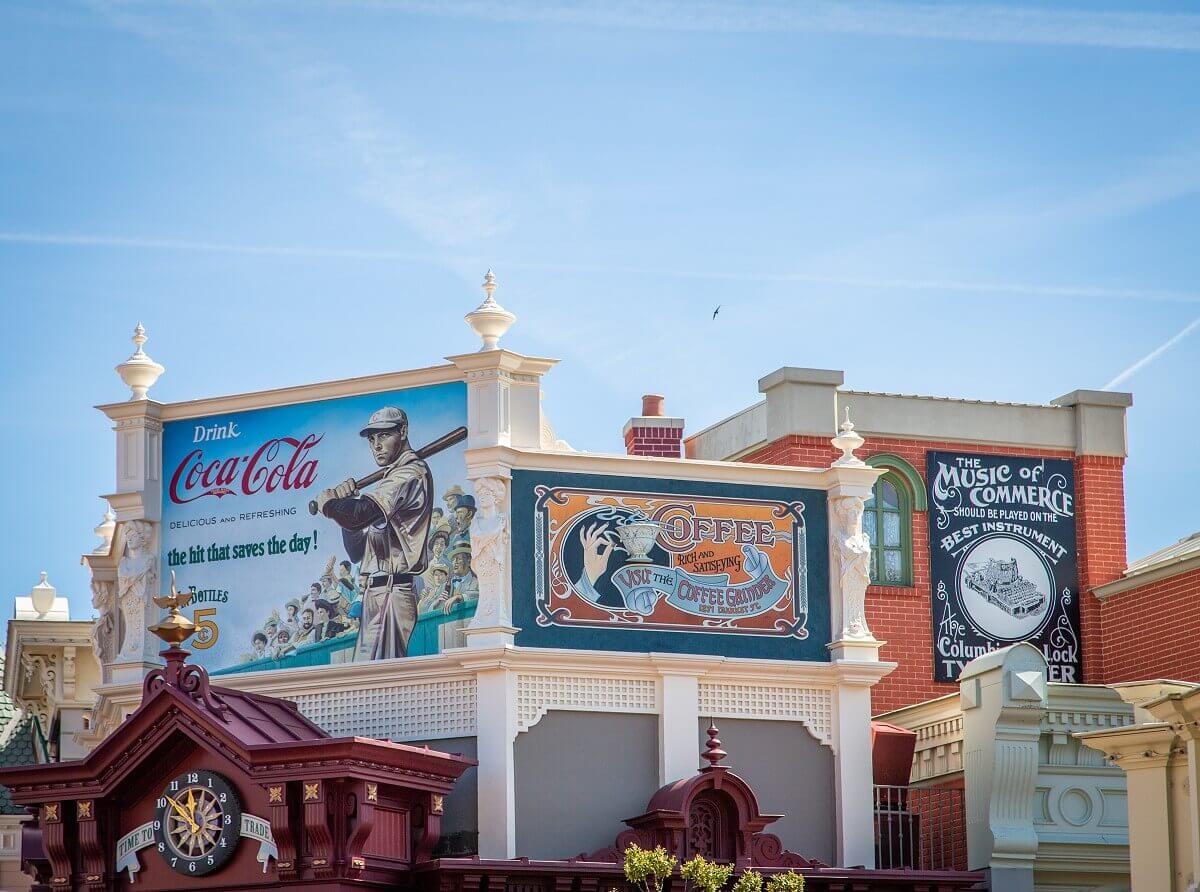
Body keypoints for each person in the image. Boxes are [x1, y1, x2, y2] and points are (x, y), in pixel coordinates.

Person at [316, 406, 433, 661]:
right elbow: (356, 552)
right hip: (374, 592)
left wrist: (331, 505)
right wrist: (348, 502)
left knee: (383, 681)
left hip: (394, 589)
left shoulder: (409, 473)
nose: (376, 445)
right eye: (372, 439)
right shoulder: (387, 481)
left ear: (402, 432)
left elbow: (360, 513)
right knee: (365, 679)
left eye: (384, 436)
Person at [445, 544, 480, 613]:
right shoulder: (447, 584)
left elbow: (481, 594)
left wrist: (460, 596)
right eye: (453, 559)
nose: (455, 562)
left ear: (469, 561)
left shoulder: (476, 582)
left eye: (459, 559)